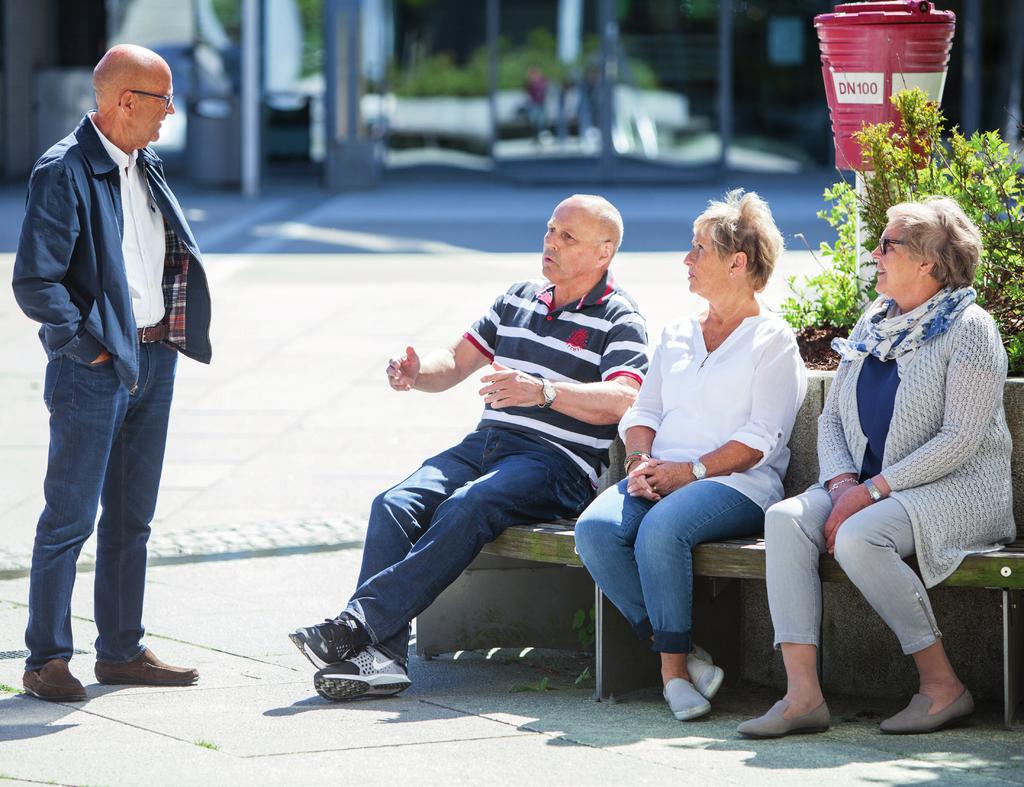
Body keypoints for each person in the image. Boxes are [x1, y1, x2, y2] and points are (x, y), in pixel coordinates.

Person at [289, 195, 649, 701]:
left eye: (567, 237)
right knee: (393, 504)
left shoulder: (620, 316)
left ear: (603, 252)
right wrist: (418, 373)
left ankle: (358, 623)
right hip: (485, 445)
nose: (550, 242)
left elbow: (625, 398)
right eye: (550, 230)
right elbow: (454, 363)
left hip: (557, 463)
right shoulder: (519, 297)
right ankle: (385, 658)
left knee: (467, 505)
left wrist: (543, 391)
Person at [739, 198, 1014, 738]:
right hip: (866, 487)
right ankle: (803, 696)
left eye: (887, 245)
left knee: (859, 537)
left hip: (958, 490)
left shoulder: (971, 330)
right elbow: (832, 418)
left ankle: (942, 687)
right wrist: (843, 483)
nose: (874, 253)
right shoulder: (874, 320)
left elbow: (959, 441)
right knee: (785, 519)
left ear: (928, 262)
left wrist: (870, 493)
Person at [13, 45, 212, 702]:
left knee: (132, 517)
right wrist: (85, 344)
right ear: (125, 101)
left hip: (154, 358)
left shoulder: (143, 163)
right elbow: (35, 280)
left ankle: (121, 650)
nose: (171, 112)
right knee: (70, 516)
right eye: (162, 98)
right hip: (93, 370)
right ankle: (46, 659)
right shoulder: (63, 171)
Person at [574, 190, 807, 721]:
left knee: (661, 530)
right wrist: (639, 465)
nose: (686, 259)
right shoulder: (678, 333)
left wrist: (691, 471)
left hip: (736, 485)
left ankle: (672, 673)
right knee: (595, 530)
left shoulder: (772, 340)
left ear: (737, 262)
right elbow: (642, 413)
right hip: (660, 474)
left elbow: (760, 438)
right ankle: (686, 652)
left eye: (698, 248)